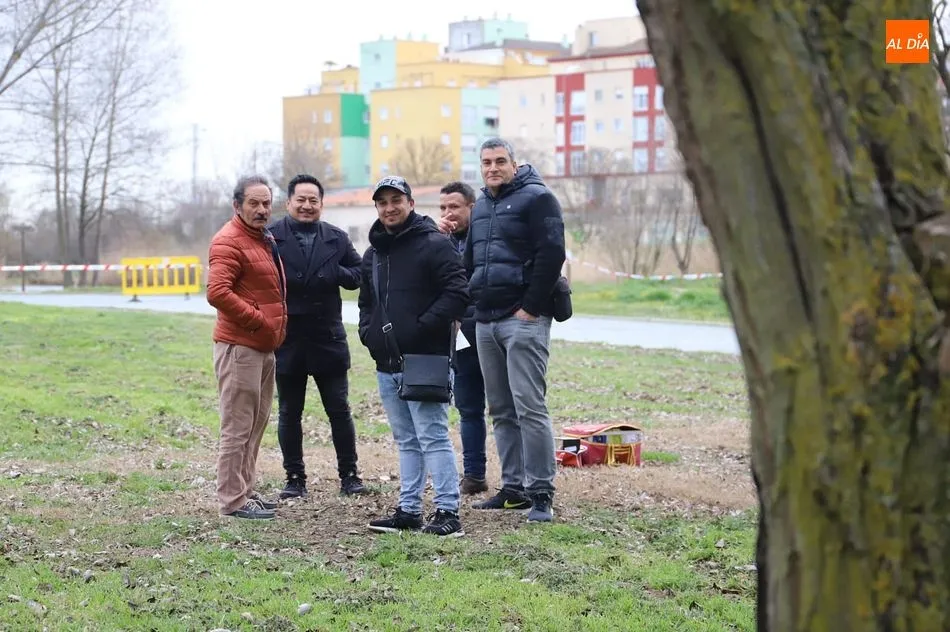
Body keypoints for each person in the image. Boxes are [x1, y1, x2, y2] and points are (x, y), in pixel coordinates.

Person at [358, 175, 470, 537]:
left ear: (410, 202)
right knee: (406, 440)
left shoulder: (434, 244)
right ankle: (409, 510)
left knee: (433, 436)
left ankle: (448, 512)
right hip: (386, 363)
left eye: (396, 200)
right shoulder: (373, 254)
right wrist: (368, 333)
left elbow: (458, 293)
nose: (390, 208)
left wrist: (422, 327)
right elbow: (366, 303)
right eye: (383, 202)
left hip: (425, 359)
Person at [463, 138, 566, 523]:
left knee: (529, 407)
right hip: (486, 320)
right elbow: (471, 260)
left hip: (523, 319)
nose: (492, 168)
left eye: (500, 161)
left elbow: (552, 254)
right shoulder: (482, 205)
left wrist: (531, 307)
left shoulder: (539, 199)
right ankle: (513, 489)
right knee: (501, 409)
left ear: (515, 163)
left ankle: (541, 492)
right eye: (486, 162)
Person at [267, 174, 366, 499]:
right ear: (288, 202)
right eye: (301, 200)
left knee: (339, 410)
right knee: (289, 412)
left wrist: (335, 272)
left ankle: (350, 475)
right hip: (288, 338)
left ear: (321, 204)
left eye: (313, 200)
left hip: (327, 337)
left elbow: (359, 274)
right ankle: (294, 478)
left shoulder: (336, 238)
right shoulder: (271, 238)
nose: (307, 205)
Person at [207, 174, 288, 520]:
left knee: (255, 425)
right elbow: (217, 292)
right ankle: (232, 501)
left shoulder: (261, 238)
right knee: (237, 427)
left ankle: (245, 491)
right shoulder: (229, 241)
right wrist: (258, 320)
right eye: (253, 203)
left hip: (263, 347)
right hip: (240, 347)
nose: (261, 209)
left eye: (266, 203)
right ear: (237, 205)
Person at [436, 181, 489, 495]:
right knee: (468, 407)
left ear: (472, 207)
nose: (448, 213)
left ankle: (520, 479)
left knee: (507, 408)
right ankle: (474, 474)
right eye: (443, 207)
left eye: (454, 207)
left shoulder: (486, 238)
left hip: (489, 328)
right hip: (459, 337)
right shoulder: (437, 241)